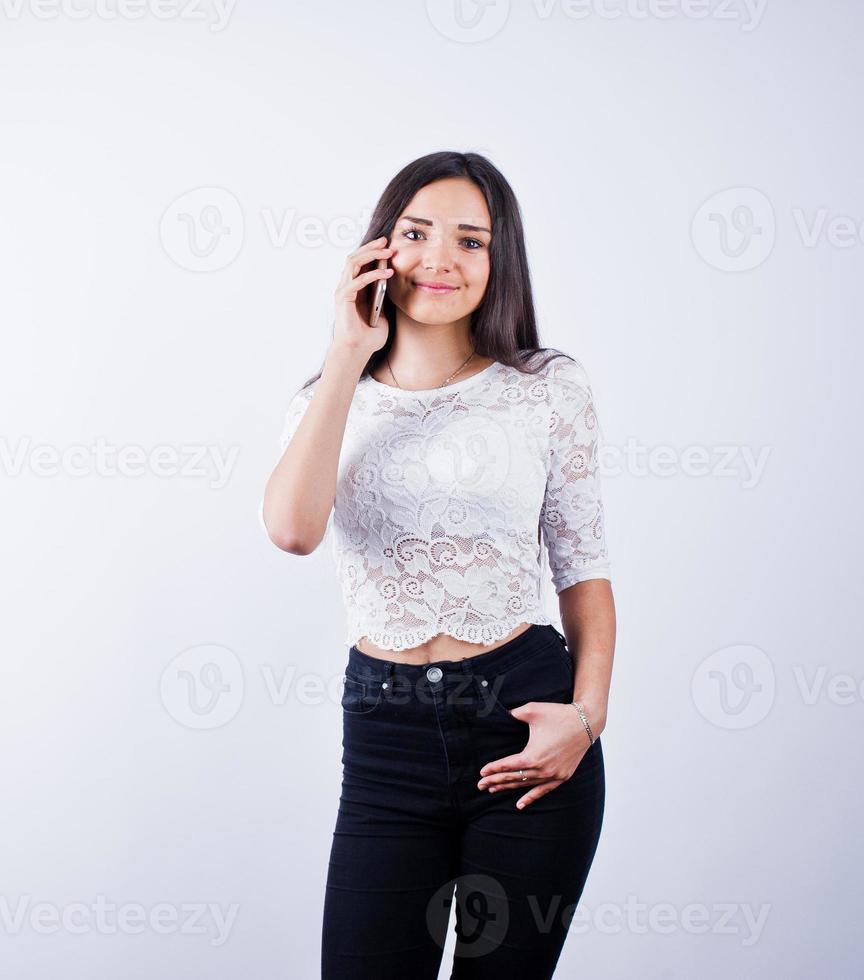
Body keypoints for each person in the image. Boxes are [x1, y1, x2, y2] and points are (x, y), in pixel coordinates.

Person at [260, 151, 615, 979]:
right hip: (385, 739)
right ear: (381, 247)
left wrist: (586, 717)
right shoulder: (325, 400)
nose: (440, 259)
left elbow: (584, 568)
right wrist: (348, 353)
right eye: (416, 233)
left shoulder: (544, 388)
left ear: (499, 263)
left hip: (523, 725)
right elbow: (291, 531)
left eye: (470, 241)